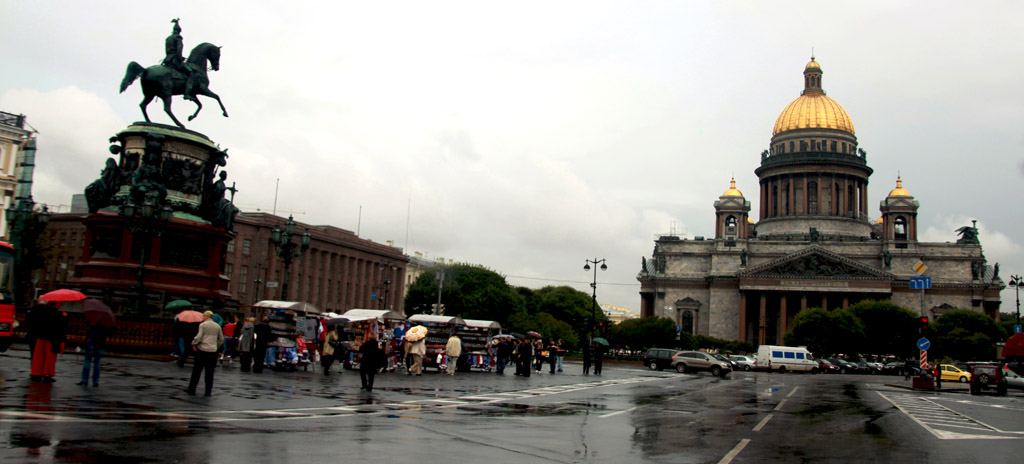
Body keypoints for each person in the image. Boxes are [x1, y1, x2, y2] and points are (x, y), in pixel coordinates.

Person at [186, 311, 224, 396]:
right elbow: (221, 339)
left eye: (203, 316)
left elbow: (199, 337)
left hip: (202, 350)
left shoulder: (203, 325)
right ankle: (208, 390)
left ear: (206, 316)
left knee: (197, 370)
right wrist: (216, 346)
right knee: (210, 372)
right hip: (212, 351)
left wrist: (194, 343)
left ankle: (192, 389)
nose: (202, 318)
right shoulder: (217, 326)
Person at [28, 303, 65, 383]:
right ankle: (47, 374)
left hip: (40, 336)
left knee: (39, 356)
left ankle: (36, 372)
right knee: (49, 357)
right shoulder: (57, 314)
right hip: (51, 338)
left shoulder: (41, 311)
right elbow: (60, 326)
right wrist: (64, 317)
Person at [77, 318, 110, 387]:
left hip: (92, 340)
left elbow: (87, 325)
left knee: (87, 361)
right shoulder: (105, 320)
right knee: (97, 362)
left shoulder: (93, 317)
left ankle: (84, 380)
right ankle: (95, 381)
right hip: (100, 342)